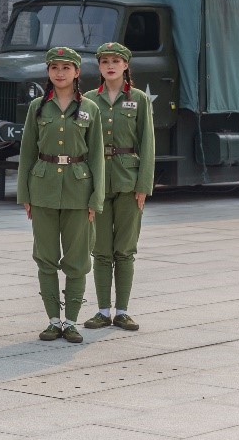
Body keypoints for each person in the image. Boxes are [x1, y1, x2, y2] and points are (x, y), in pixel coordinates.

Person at [16, 46, 105, 344]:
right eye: (55, 68)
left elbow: (97, 158)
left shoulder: (90, 109)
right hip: (43, 189)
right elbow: (27, 151)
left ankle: (71, 321)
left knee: (78, 258)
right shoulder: (38, 107)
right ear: (48, 72)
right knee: (45, 257)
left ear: (77, 72)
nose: (60, 73)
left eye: (67, 68)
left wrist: (96, 198)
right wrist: (24, 193)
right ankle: (53, 320)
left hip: (79, 189)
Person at [83, 42, 155, 332]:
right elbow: (83, 144)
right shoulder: (88, 99)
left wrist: (143, 185)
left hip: (128, 180)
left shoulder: (138, 99)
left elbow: (147, 144)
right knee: (101, 249)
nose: (110, 66)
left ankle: (122, 311)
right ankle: (102, 311)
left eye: (116, 61)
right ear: (99, 67)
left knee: (125, 249)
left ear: (126, 66)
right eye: (105, 61)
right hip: (98, 182)